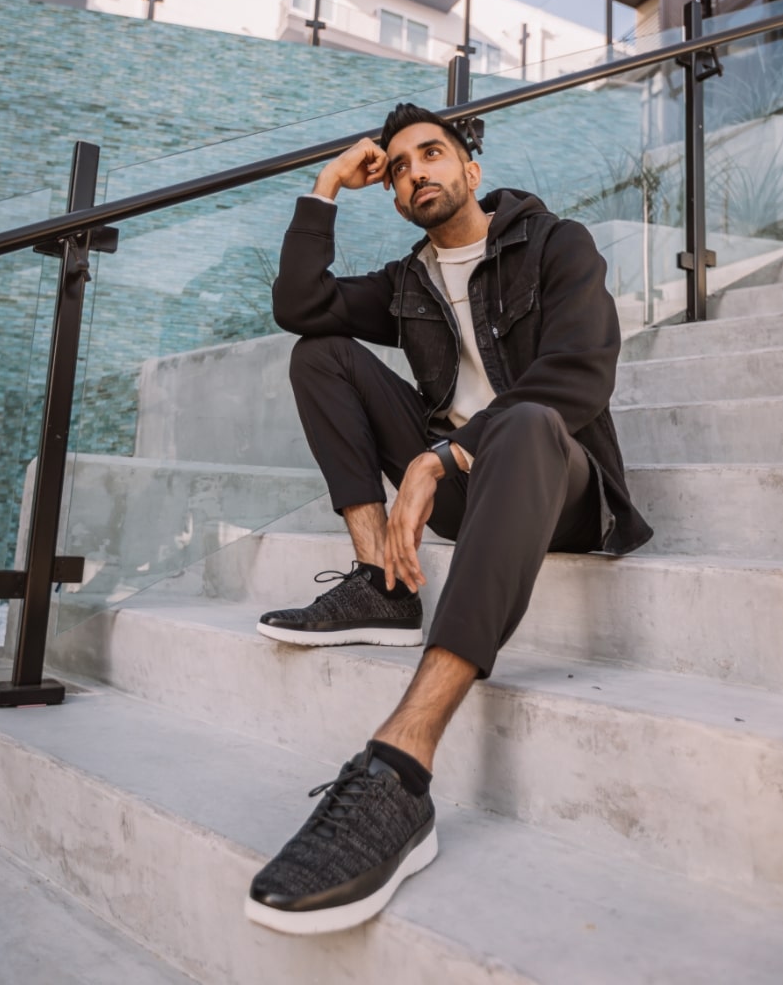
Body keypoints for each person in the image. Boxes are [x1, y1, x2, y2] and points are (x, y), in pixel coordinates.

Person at [245, 103, 652, 935]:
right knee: (317, 353)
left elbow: (576, 377)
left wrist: (438, 457)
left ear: (470, 169)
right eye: (396, 168)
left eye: (431, 154)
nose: (415, 172)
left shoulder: (554, 243)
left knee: (528, 422)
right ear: (391, 193)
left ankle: (402, 760)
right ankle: (379, 582)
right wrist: (325, 188)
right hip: (469, 495)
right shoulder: (406, 285)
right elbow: (302, 305)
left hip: (555, 486)